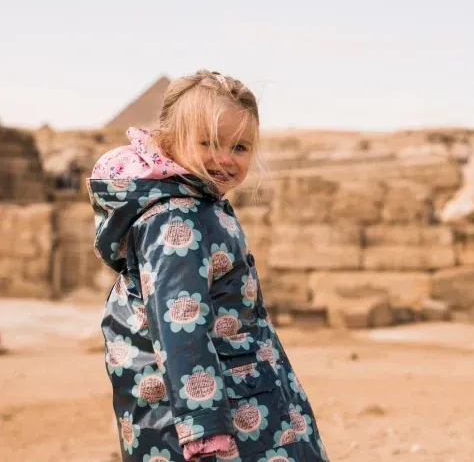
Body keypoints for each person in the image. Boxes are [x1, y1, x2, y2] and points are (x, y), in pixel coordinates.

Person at [89, 70, 328, 462]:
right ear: (170, 140)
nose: (225, 159)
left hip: (235, 394)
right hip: (211, 419)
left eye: (240, 147)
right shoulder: (175, 219)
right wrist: (204, 427)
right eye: (210, 142)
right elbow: (179, 325)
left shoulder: (199, 203)